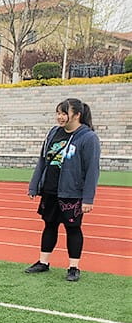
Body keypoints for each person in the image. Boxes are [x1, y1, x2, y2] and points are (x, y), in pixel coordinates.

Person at [26, 98, 101, 282]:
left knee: (73, 228)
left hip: (72, 192)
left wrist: (88, 198)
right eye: (58, 113)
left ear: (77, 115)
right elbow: (43, 160)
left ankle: (73, 267)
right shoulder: (53, 133)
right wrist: (34, 184)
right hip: (51, 189)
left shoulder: (88, 137)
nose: (60, 117)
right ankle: (43, 262)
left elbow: (92, 169)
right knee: (49, 225)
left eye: (64, 113)